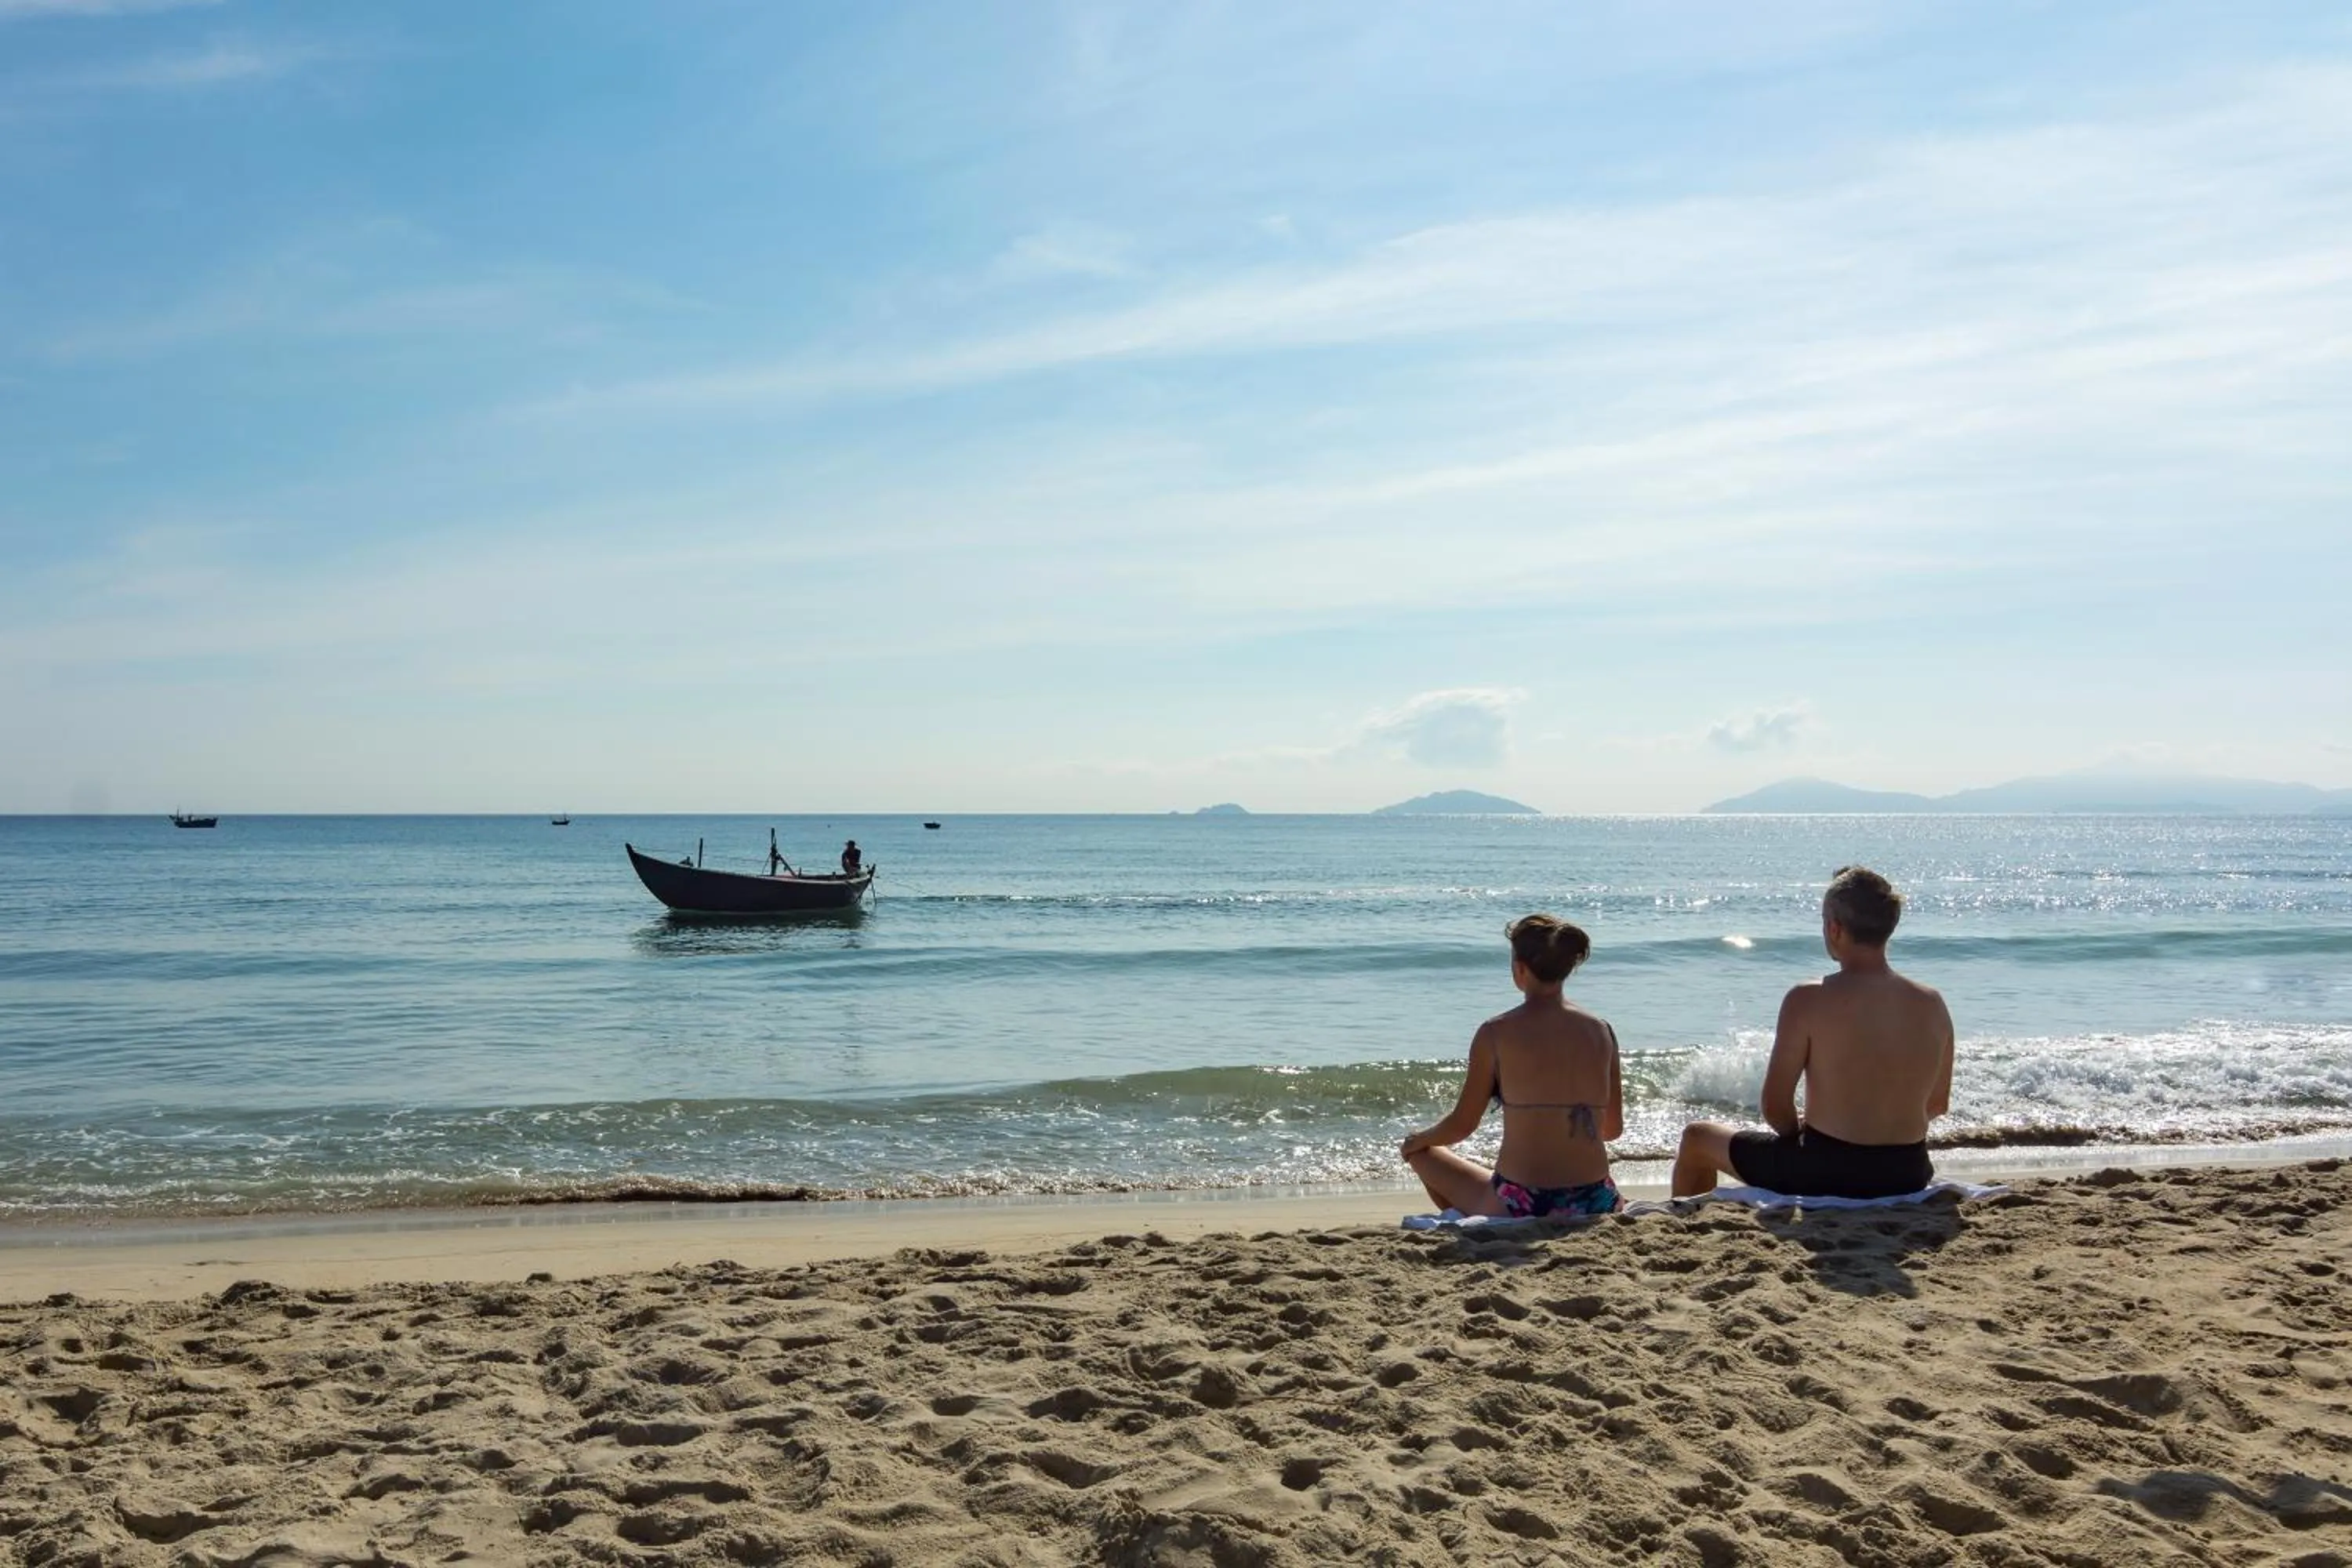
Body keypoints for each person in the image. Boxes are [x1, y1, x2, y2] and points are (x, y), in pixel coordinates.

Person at [1671, 866, 1954, 1200]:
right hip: (1908, 1171)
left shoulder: (1807, 999)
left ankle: (1686, 1222)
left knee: (1697, 1138)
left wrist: (1801, 1134)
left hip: (1825, 1171)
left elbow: (1775, 1108)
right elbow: (1937, 1104)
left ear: (1834, 929)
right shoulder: (1932, 1003)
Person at [1400, 915, 1625, 1218]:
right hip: (1596, 1197)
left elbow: (1462, 1126)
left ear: (1519, 968)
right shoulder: (1602, 1031)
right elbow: (1612, 1130)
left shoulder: (1495, 1033)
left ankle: (1476, 1218)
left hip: (1521, 1201)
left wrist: (1419, 1139)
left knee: (1421, 1153)